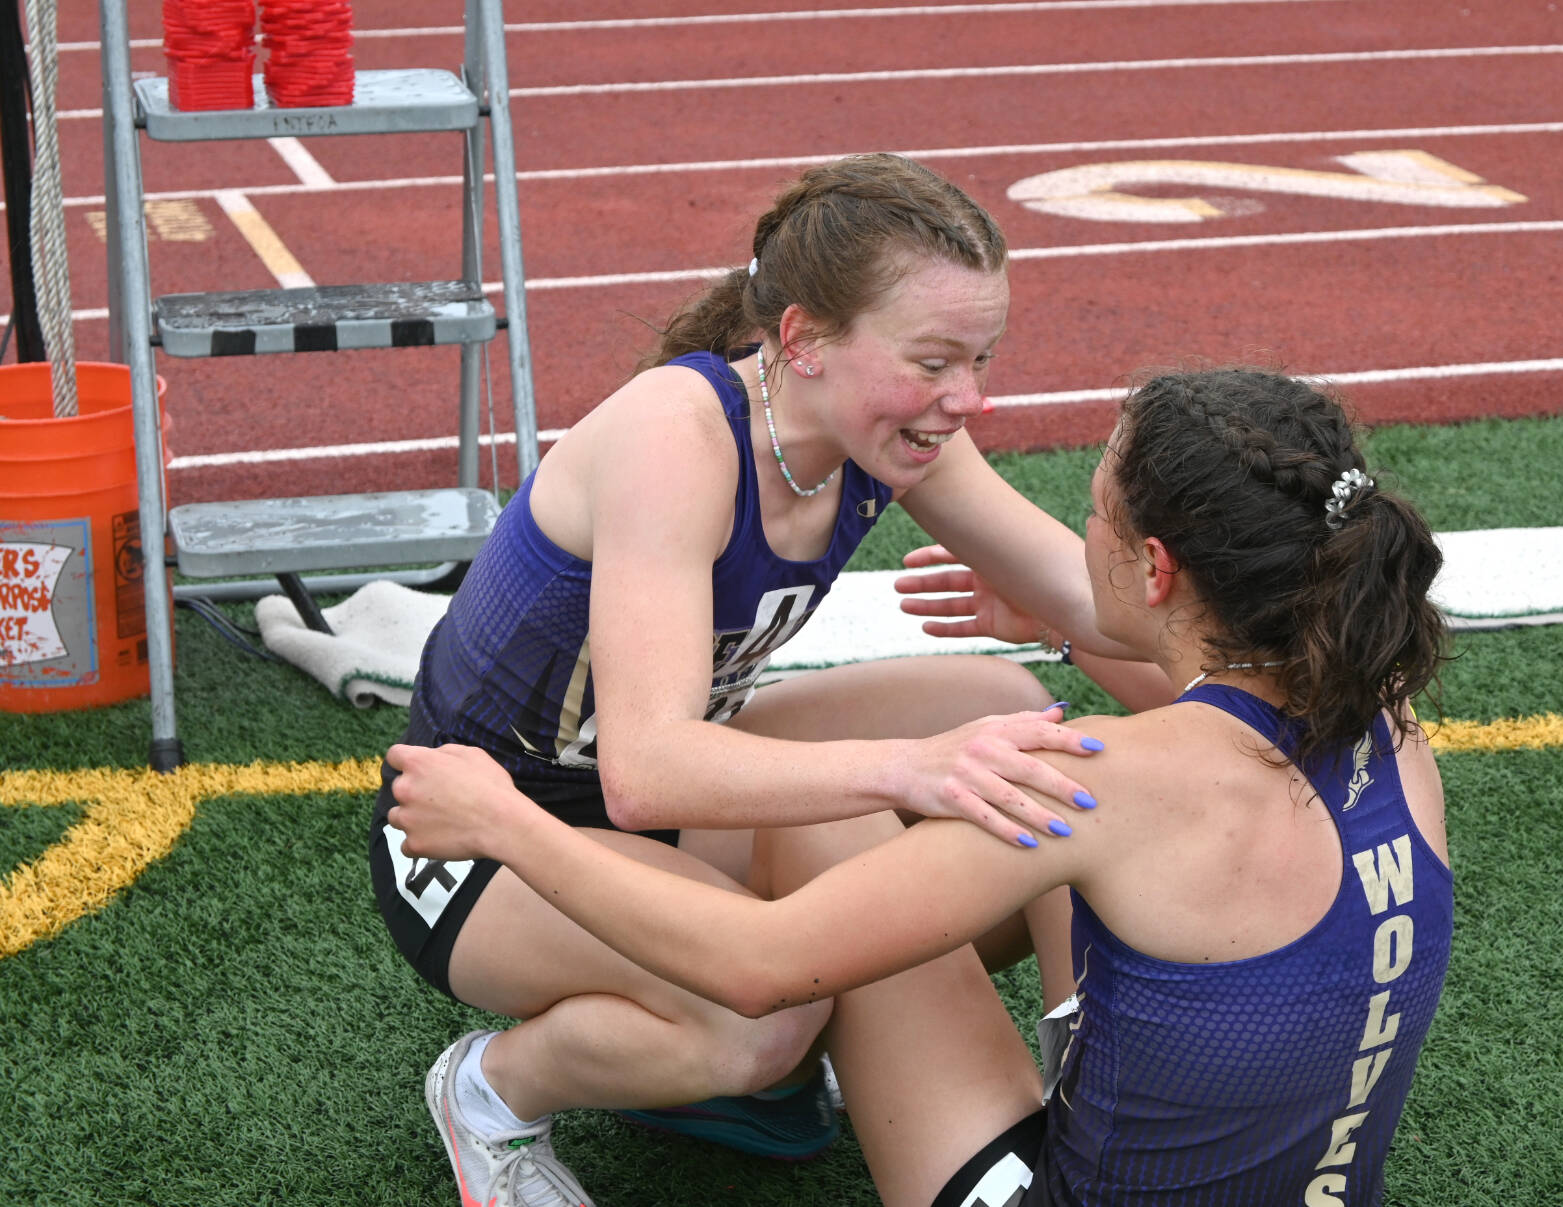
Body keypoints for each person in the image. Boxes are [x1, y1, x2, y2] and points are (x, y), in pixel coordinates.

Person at [386, 366, 1456, 1206]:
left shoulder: (1098, 779)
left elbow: (760, 965)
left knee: (834, 828)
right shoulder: (1391, 722)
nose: (1076, 537)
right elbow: (1207, 709)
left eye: (1094, 514)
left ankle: (508, 1082)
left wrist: (507, 824)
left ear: (1157, 571)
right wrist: (1054, 630)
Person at [369, 153, 1144, 1207]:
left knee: (1007, 717)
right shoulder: (674, 435)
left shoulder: (886, 429)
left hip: (667, 787)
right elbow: (645, 769)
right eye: (934, 360)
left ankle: (1040, 1088)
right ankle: (492, 1090)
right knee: (758, 1019)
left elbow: (1097, 601)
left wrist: (1304, 657)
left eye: (981, 358)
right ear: (803, 340)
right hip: (485, 828)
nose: (967, 398)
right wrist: (907, 771)